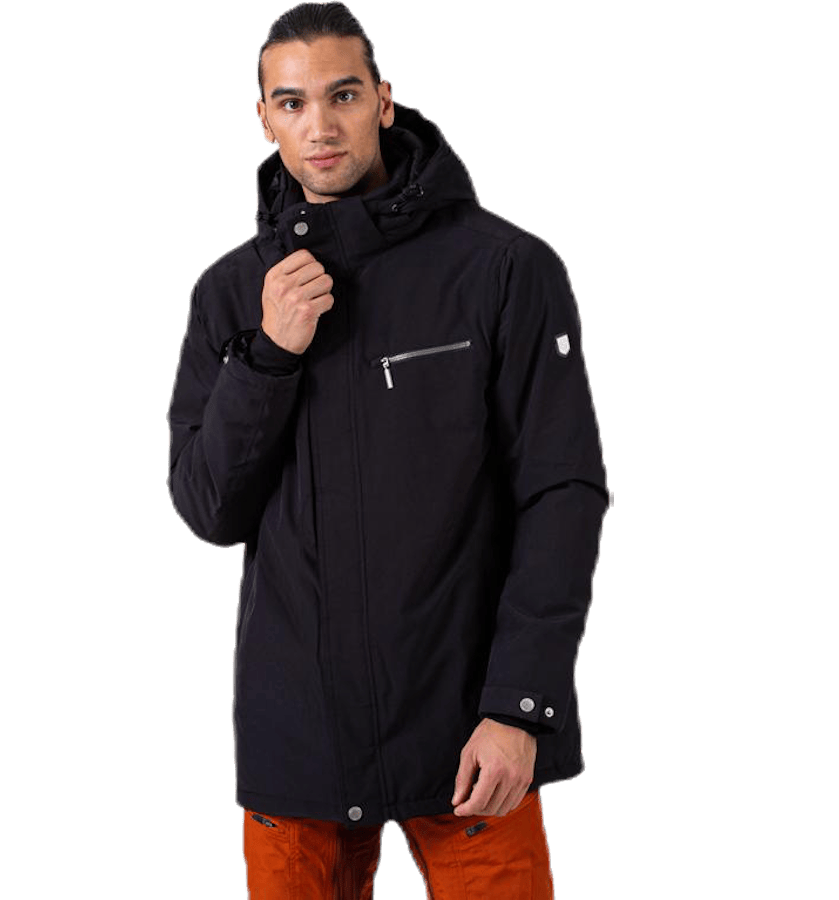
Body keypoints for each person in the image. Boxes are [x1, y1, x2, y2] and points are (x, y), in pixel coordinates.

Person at [165, 2, 612, 896]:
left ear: (384, 100)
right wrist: (269, 355)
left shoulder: (503, 268)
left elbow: (562, 494)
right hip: (299, 741)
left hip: (468, 735)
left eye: (342, 95)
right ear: (264, 120)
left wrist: (519, 707)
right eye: (291, 103)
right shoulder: (231, 293)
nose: (320, 126)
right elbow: (209, 508)